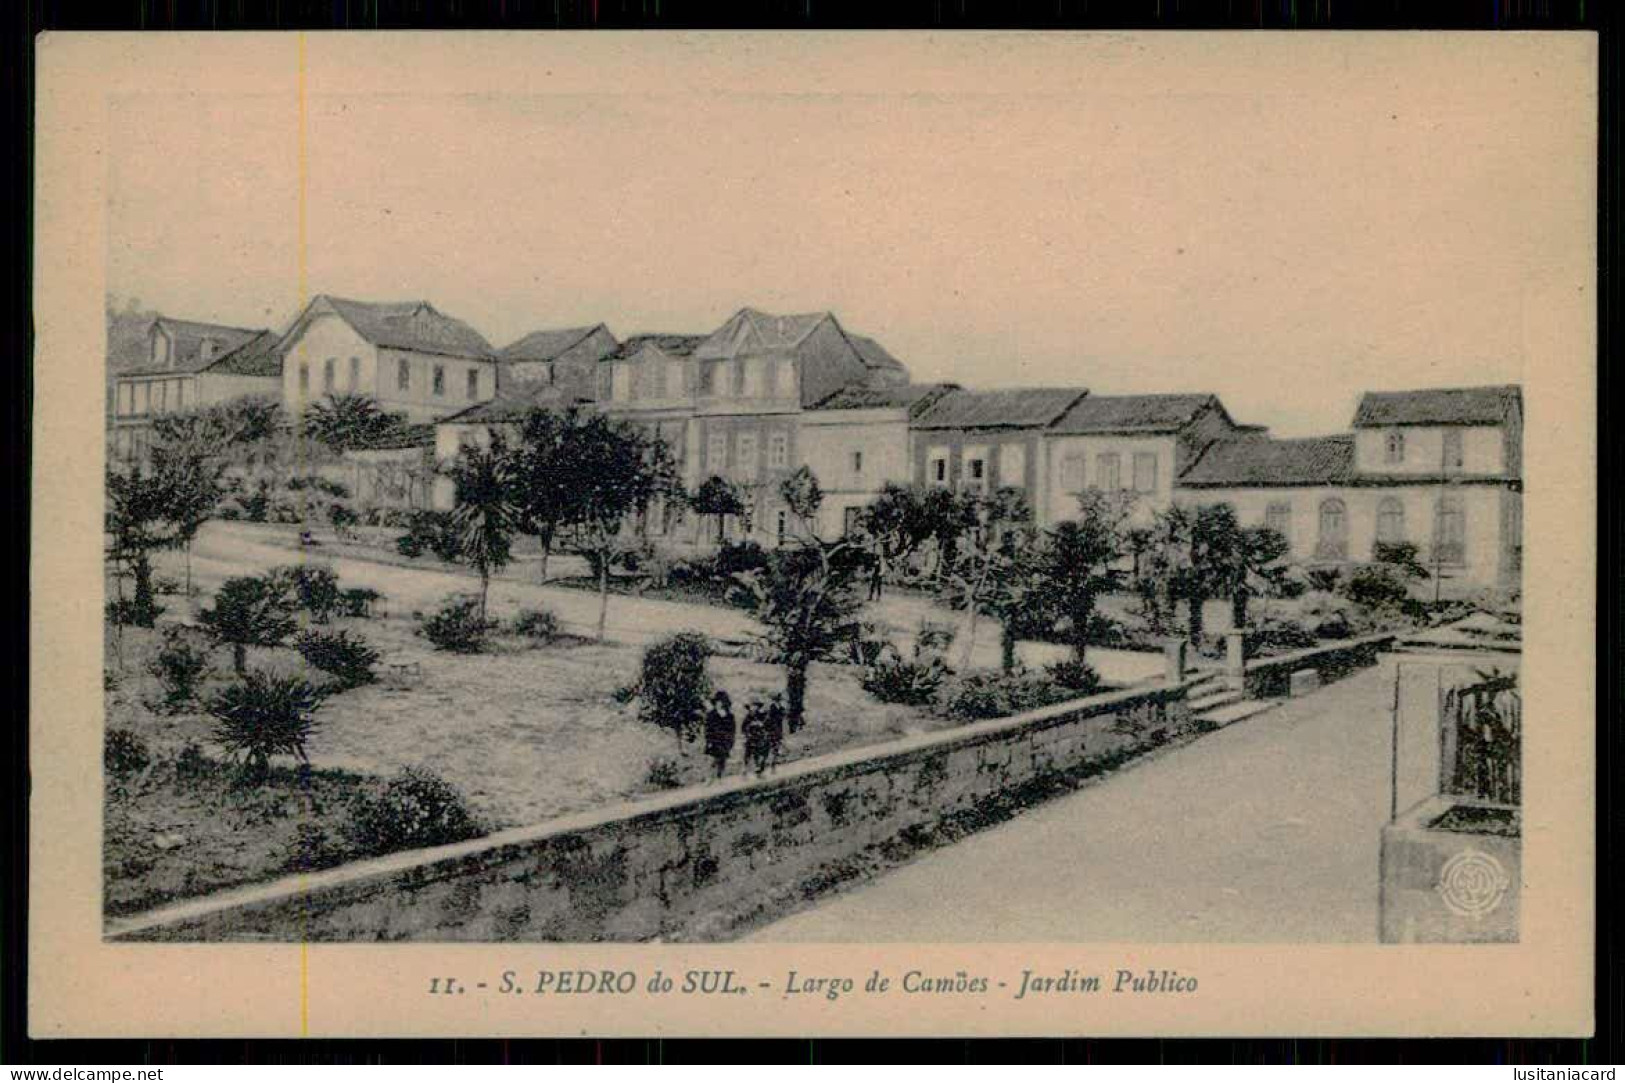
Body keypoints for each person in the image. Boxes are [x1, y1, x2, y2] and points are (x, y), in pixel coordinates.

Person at [703, 691, 735, 780]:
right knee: (713, 759)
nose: (719, 704)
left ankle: (719, 777)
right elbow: (707, 729)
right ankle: (709, 778)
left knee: (723, 759)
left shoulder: (729, 715)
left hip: (725, 740)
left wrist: (731, 741)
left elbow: (732, 729)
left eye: (721, 702)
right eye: (717, 702)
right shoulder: (711, 715)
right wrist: (708, 740)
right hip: (714, 740)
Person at [741, 698, 770, 778]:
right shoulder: (748, 716)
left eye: (755, 706)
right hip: (751, 738)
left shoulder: (762, 715)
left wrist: (762, 725)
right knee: (748, 755)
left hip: (760, 737)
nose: (754, 708)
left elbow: (767, 724)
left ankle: (759, 771)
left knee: (761, 754)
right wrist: (747, 733)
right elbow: (743, 727)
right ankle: (745, 771)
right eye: (752, 706)